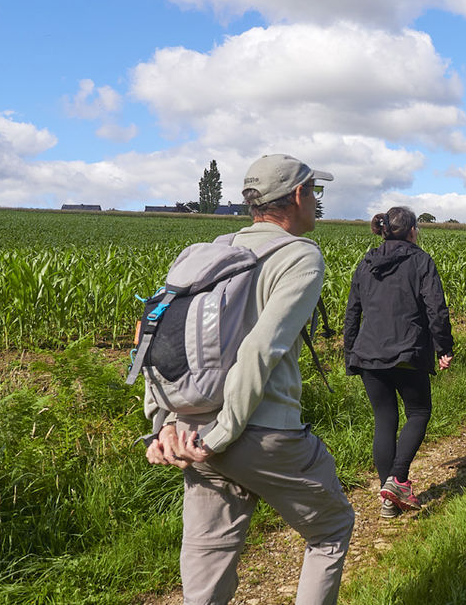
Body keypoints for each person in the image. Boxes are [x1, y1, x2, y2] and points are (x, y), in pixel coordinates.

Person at [145, 153, 355, 604]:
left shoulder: (214, 250)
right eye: (314, 193)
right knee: (330, 529)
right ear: (298, 196)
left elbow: (157, 333)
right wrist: (224, 434)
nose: (316, 203)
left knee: (206, 571)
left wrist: (163, 421)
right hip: (260, 432)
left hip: (191, 429)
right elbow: (263, 347)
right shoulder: (299, 255)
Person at [342, 206, 454, 519]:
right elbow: (436, 309)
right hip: (408, 352)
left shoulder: (366, 263)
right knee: (419, 412)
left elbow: (353, 311)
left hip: (369, 354)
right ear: (412, 231)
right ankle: (398, 480)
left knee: (384, 420)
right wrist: (444, 347)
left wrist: (351, 352)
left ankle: (388, 498)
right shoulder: (420, 260)